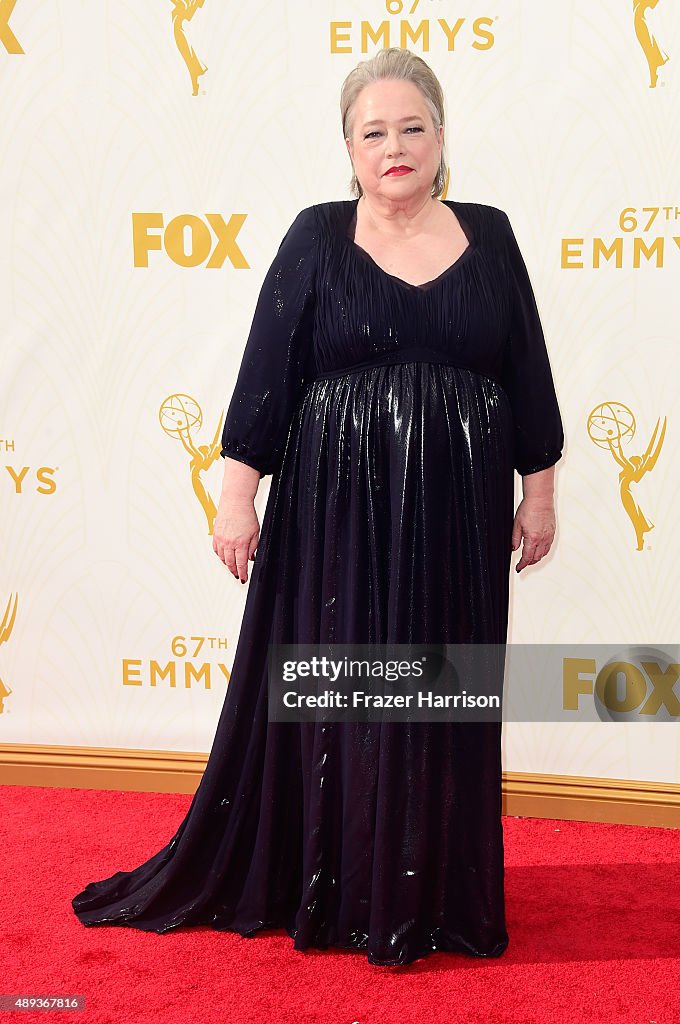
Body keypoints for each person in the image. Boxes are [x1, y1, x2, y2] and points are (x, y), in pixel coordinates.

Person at [72, 47, 564, 967]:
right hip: (338, 514)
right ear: (348, 148)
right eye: (373, 131)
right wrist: (234, 500)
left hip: (458, 517)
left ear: (442, 135)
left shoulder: (491, 236)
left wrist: (538, 496)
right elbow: (267, 375)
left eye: (412, 127)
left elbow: (527, 372)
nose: (395, 146)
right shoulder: (315, 235)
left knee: (443, 696)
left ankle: (438, 894)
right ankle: (339, 889)